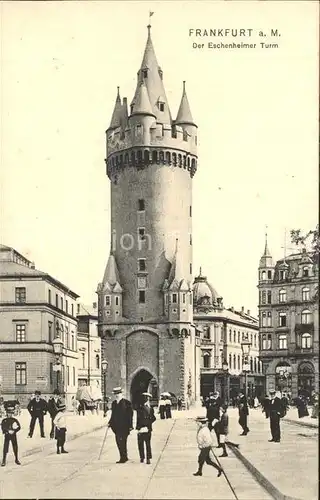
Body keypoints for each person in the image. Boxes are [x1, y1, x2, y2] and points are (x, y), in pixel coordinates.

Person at [108, 387, 133, 464]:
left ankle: (124, 457)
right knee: (118, 442)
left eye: (118, 393)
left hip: (125, 427)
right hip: (116, 427)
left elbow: (130, 416)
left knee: (123, 441)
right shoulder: (114, 403)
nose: (117, 395)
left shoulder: (127, 403)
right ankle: (123, 456)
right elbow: (113, 415)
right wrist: (110, 422)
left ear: (121, 394)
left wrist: (130, 426)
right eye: (116, 394)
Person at [136, 392, 156, 464]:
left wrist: (148, 423)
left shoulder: (148, 408)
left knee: (145, 444)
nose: (146, 399)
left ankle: (146, 458)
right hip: (143, 428)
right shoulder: (144, 408)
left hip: (146, 428)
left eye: (147, 398)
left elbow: (153, 418)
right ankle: (144, 457)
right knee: (143, 444)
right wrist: (138, 428)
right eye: (145, 398)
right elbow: (138, 419)